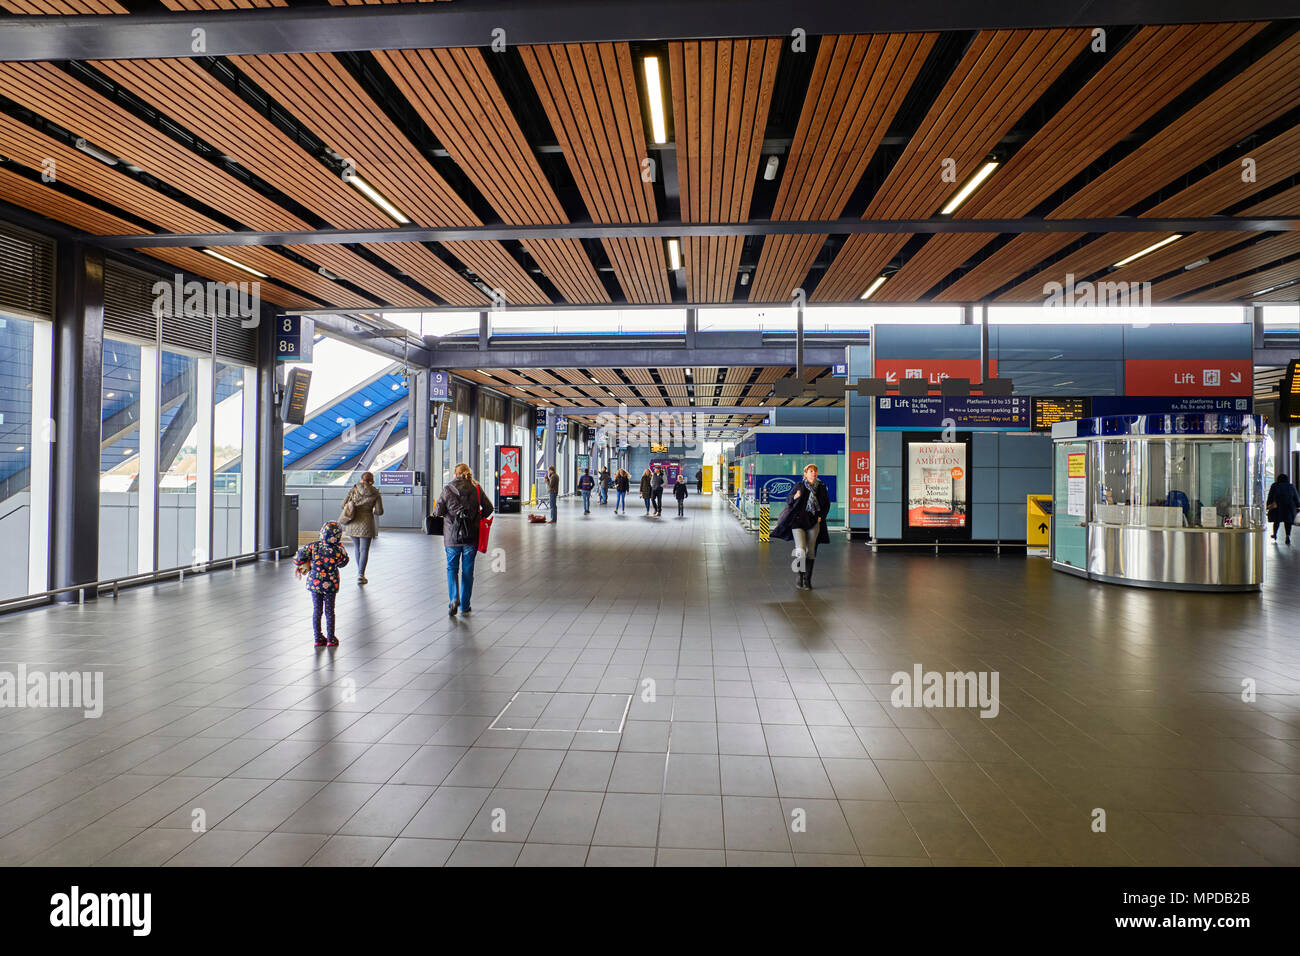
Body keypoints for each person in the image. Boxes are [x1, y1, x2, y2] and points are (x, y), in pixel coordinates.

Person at [433, 463, 494, 615]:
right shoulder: (477, 489)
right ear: (467, 474)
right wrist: (476, 518)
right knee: (468, 571)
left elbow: (438, 511)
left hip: (452, 537)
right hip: (471, 536)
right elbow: (489, 508)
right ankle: (465, 605)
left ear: (455, 474)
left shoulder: (447, 489)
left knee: (452, 568)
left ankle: (454, 599)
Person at [772, 464, 831, 591]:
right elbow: (788, 500)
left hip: (814, 522)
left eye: (815, 471)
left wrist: (821, 516)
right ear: (805, 474)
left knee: (810, 551)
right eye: (811, 471)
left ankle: (807, 580)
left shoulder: (821, 487)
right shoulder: (799, 486)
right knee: (801, 549)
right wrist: (795, 497)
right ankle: (799, 576)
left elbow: (826, 504)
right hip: (798, 522)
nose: (813, 473)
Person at [294, 521, 350, 647]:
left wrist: (301, 564)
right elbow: (344, 562)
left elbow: (299, 558)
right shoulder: (338, 549)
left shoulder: (313, 546)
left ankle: (318, 638)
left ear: (322, 533)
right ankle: (331, 638)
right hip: (331, 584)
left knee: (317, 610)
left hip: (315, 583)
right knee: (330, 611)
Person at [341, 470, 383, 585]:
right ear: (372, 481)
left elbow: (342, 505)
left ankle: (360, 573)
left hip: (353, 522)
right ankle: (361, 575)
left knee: (357, 547)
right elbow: (379, 511)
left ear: (361, 479)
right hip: (367, 523)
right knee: (364, 549)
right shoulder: (375, 493)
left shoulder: (354, 489)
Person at [1266, 473, 1300, 544]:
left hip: (1278, 506)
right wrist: (1298, 505)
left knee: (1276, 521)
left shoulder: (1274, 486)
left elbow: (1270, 496)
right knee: (1288, 522)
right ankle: (1287, 536)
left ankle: (1275, 534)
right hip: (1289, 507)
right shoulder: (1291, 486)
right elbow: (1296, 497)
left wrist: (1268, 504)